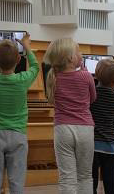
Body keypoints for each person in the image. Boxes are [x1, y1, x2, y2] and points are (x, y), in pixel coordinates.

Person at [0, 34, 39, 194]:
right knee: (17, 181)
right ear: (18, 60)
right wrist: (26, 46)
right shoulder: (23, 79)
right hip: (18, 135)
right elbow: (35, 66)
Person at [44, 38, 96, 194]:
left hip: (63, 129)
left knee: (67, 177)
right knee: (85, 176)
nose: (81, 54)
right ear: (71, 58)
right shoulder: (86, 76)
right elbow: (93, 98)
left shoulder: (53, 78)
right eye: (78, 51)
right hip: (85, 128)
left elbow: (51, 100)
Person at [91, 59, 114, 194]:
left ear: (96, 75)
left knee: (91, 180)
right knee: (111, 182)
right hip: (110, 147)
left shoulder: (92, 93)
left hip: (93, 145)